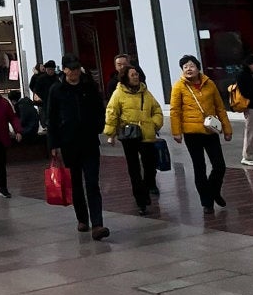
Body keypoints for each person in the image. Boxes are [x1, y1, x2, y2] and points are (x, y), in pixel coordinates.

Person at [46, 55, 109, 240]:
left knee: (92, 182)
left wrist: (98, 126)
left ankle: (97, 224)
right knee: (75, 183)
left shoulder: (89, 86)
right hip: (68, 143)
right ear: (64, 70)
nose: (74, 72)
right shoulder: (56, 90)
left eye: (76, 68)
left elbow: (99, 109)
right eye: (71, 69)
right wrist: (53, 144)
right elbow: (52, 118)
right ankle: (82, 218)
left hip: (89, 141)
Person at [170, 54, 231, 214]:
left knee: (219, 166)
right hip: (192, 133)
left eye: (191, 66)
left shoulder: (209, 84)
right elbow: (175, 111)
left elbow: (220, 108)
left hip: (210, 130)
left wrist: (227, 129)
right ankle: (207, 202)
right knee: (199, 167)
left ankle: (214, 191)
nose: (188, 69)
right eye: (185, 67)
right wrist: (176, 132)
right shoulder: (179, 86)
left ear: (198, 68)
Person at [103, 63, 164, 214]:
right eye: (132, 75)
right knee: (134, 168)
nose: (135, 77)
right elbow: (112, 112)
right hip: (129, 135)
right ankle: (141, 200)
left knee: (150, 166)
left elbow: (157, 109)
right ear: (125, 78)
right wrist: (110, 133)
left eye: (137, 74)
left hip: (146, 133)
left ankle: (147, 187)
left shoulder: (145, 91)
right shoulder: (118, 93)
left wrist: (155, 124)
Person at [29, 60, 59, 133]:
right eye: (49, 69)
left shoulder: (56, 78)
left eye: (52, 69)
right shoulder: (41, 78)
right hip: (44, 101)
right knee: (44, 114)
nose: (51, 71)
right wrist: (41, 96)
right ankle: (45, 126)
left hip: (55, 101)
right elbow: (35, 88)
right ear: (46, 69)